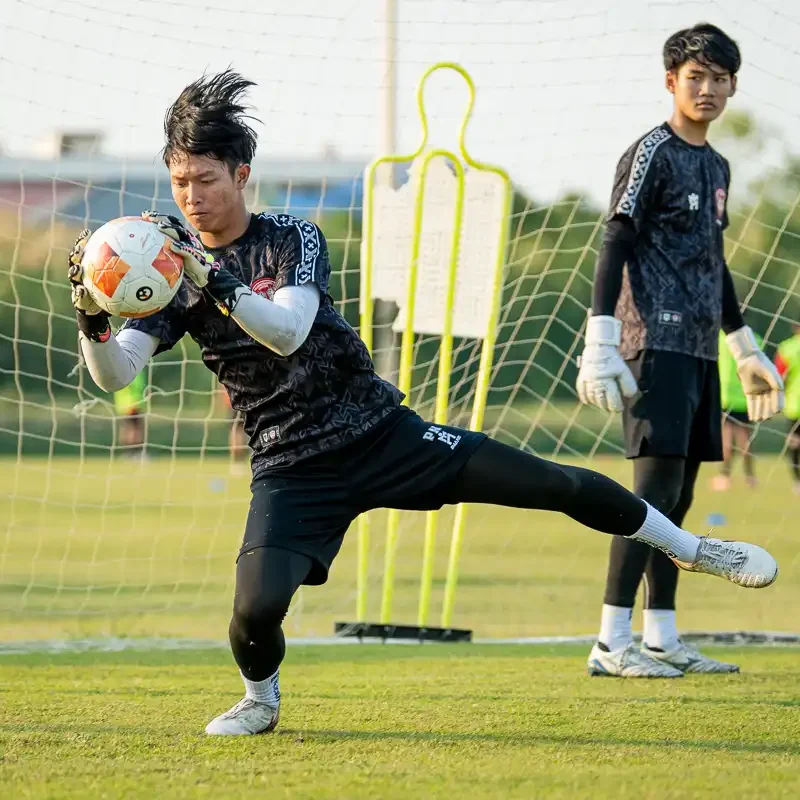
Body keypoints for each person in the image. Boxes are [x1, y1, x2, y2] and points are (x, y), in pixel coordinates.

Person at [68, 70, 779, 736]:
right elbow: (114, 371)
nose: (189, 195)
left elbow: (286, 332)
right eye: (179, 180)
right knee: (253, 614)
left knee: (553, 482)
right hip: (291, 467)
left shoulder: (292, 238)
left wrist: (215, 278)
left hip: (382, 434)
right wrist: (91, 319)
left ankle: (692, 548)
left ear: (242, 174)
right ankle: (261, 698)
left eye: (205, 179)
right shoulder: (172, 268)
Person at [576, 24, 784, 678]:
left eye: (720, 79)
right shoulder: (652, 153)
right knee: (650, 494)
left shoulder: (716, 165)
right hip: (649, 341)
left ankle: (661, 636)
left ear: (733, 87)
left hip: (697, 348)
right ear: (672, 81)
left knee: (682, 499)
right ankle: (612, 641)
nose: (708, 89)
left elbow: (714, 261)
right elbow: (615, 238)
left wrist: (743, 344)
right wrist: (601, 337)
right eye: (696, 77)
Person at [713, 328, 759, 491]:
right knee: (745, 441)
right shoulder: (754, 338)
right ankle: (750, 477)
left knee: (726, 441)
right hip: (746, 396)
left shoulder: (718, 337)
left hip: (725, 396)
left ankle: (724, 477)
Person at [775, 324, 800, 493]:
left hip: (795, 404)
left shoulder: (787, 347)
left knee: (794, 443)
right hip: (794, 403)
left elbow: (778, 376)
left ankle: (798, 480)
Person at [113, 370, 146, 459]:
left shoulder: (121, 369)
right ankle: (134, 453)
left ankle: (129, 453)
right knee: (134, 430)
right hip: (132, 404)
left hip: (125, 405)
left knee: (127, 429)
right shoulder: (132, 370)